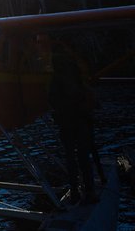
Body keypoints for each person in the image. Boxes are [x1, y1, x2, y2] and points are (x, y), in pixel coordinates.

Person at [48, 42, 98, 204]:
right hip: (80, 121)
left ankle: (75, 190)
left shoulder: (55, 80)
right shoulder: (76, 76)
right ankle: (89, 191)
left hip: (66, 123)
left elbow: (52, 101)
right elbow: (87, 98)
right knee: (83, 156)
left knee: (70, 156)